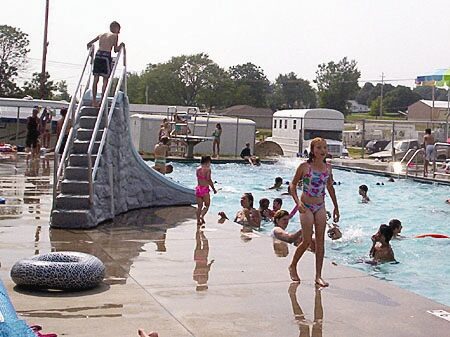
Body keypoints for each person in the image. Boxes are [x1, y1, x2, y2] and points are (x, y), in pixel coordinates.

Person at [288, 138, 340, 287]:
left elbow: (330, 187)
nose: (322, 150)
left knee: (320, 241)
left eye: (324, 147)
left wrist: (336, 206)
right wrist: (297, 202)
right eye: (319, 147)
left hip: (320, 206)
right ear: (312, 150)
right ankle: (293, 265)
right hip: (306, 206)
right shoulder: (305, 167)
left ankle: (318, 275)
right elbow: (292, 185)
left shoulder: (328, 168)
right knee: (306, 241)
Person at [87, 21, 124, 107]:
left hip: (98, 55)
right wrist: (121, 45)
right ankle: (102, 100)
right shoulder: (115, 36)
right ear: (115, 28)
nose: (119, 31)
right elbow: (115, 49)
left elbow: (89, 43)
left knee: (95, 79)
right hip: (106, 56)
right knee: (105, 79)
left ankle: (94, 101)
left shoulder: (101, 34)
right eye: (119, 29)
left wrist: (91, 54)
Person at [195, 156, 217, 226]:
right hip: (205, 190)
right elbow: (208, 180)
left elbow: (199, 179)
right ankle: (202, 215)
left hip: (198, 189)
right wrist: (213, 189)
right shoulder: (208, 169)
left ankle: (198, 220)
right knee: (207, 205)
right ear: (207, 162)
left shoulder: (197, 169)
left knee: (199, 206)